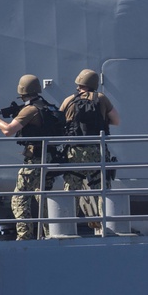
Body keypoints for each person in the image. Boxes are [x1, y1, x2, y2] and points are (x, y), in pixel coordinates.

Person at [0, 74, 64, 240]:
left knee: (19, 198)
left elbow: (8, 130)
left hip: (35, 160)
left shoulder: (30, 110)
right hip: (50, 158)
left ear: (22, 91)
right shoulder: (48, 107)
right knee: (42, 196)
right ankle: (50, 234)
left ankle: (24, 235)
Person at [59, 69, 120, 222]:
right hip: (96, 150)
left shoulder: (69, 100)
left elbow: (58, 122)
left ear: (79, 83)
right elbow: (116, 120)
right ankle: (104, 223)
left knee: (71, 189)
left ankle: (68, 224)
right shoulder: (101, 99)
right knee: (102, 189)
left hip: (74, 151)